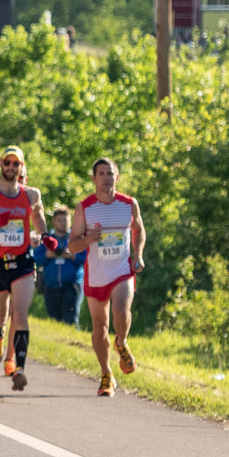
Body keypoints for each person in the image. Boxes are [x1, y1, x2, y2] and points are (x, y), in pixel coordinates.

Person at [71, 158, 145, 396]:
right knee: (99, 326)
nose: (106, 178)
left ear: (117, 176)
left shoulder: (128, 204)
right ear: (94, 179)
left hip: (121, 271)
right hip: (96, 275)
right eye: (101, 174)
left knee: (121, 313)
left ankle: (121, 343)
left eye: (110, 173)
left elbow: (138, 230)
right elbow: (72, 245)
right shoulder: (85, 208)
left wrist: (138, 254)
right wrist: (87, 239)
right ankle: (106, 374)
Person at [0, 146, 47, 391]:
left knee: (19, 314)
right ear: (1, 164)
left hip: (22, 262)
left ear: (21, 166)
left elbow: (40, 221)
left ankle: (19, 367)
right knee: (0, 316)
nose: (11, 168)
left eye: (16, 164)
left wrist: (39, 235)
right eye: (7, 163)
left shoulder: (31, 195)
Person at [32, 206, 84, 326]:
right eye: (59, 220)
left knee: (70, 319)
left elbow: (86, 259)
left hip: (72, 285)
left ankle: (72, 342)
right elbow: (36, 259)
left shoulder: (76, 239)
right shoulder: (46, 239)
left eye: (65, 220)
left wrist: (72, 256)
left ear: (70, 221)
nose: (62, 223)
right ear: (54, 221)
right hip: (50, 285)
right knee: (54, 320)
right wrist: (48, 255)